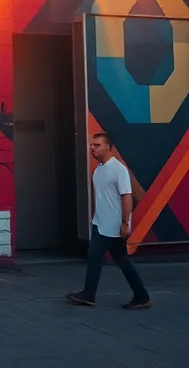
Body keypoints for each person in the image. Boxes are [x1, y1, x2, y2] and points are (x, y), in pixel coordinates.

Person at [66, 131, 151, 309]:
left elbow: (126, 197)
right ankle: (141, 296)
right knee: (122, 261)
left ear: (108, 147)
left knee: (95, 255)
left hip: (113, 226)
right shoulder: (98, 170)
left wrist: (125, 223)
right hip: (101, 224)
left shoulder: (118, 169)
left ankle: (89, 294)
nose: (92, 148)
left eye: (96, 145)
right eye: (91, 145)